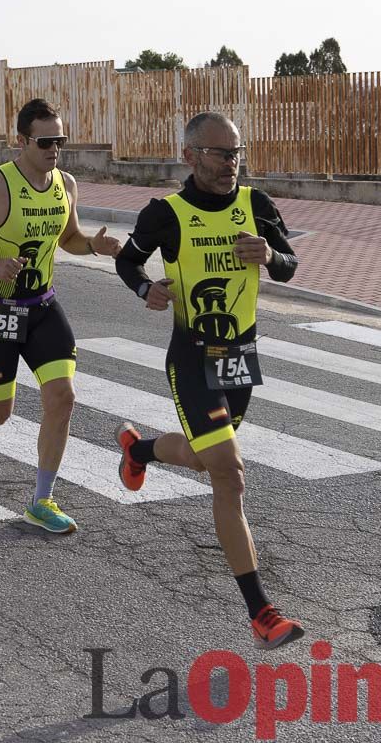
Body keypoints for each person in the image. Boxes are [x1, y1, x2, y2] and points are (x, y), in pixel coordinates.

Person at [114, 112, 304, 650]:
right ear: (191, 155)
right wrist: (145, 289)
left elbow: (290, 265)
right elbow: (129, 263)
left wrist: (269, 254)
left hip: (240, 356)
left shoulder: (256, 205)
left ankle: (141, 450)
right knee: (230, 473)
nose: (232, 164)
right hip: (192, 354)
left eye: (238, 153)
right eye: (222, 154)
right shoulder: (166, 214)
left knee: (207, 459)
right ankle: (261, 611)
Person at [0, 98, 122, 533]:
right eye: (46, 141)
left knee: (63, 397)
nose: (55, 148)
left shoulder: (66, 183)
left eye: (61, 140)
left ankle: (41, 499)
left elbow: (69, 237)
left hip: (42, 307)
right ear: (21, 141)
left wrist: (94, 244)